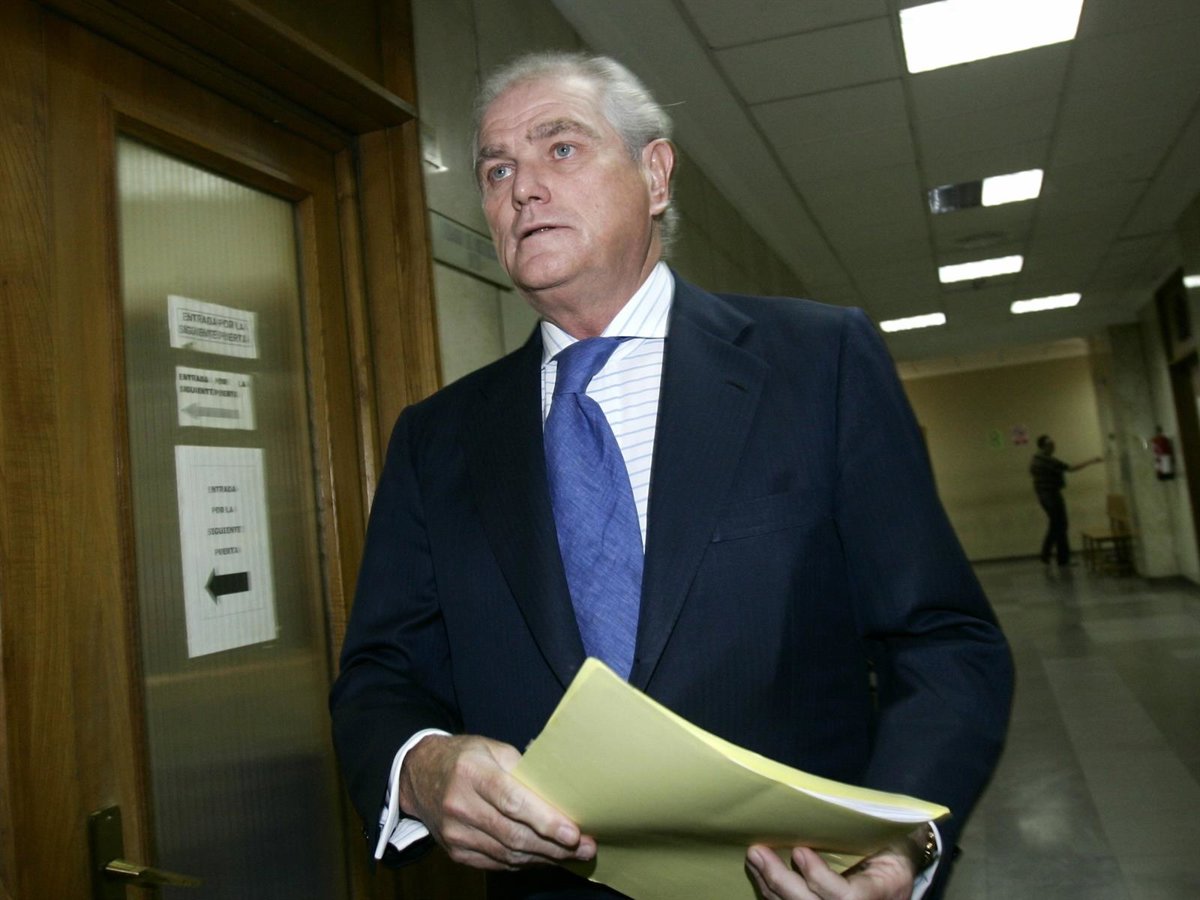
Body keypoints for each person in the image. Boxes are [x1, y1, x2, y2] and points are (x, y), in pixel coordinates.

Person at [330, 51, 1013, 900]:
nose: (524, 188)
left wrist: (901, 843)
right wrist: (422, 766)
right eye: (497, 170)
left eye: (561, 149)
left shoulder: (818, 364)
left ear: (654, 175)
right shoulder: (436, 439)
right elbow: (380, 675)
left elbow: (943, 640)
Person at [1029, 435, 1102, 567]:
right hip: (1051, 495)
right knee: (1060, 525)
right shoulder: (1047, 460)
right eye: (1051, 444)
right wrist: (1091, 461)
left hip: (1044, 495)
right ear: (1044, 446)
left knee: (1056, 525)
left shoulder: (1035, 459)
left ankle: (1047, 555)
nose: (1054, 447)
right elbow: (1071, 468)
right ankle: (1061, 559)